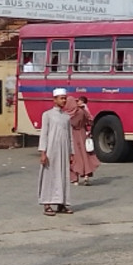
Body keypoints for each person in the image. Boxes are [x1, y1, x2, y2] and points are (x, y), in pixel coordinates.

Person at [37, 87, 72, 215]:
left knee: (63, 175)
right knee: (49, 176)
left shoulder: (67, 117)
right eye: (62, 98)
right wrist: (43, 152)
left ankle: (61, 203)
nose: (64, 101)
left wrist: (71, 152)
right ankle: (47, 204)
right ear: (55, 99)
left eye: (65, 98)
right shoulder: (47, 115)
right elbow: (44, 134)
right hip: (51, 151)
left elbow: (70, 136)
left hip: (64, 151)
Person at [67, 94, 98, 186]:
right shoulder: (82, 111)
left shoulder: (68, 115)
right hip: (83, 133)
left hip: (72, 135)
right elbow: (90, 121)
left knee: (74, 156)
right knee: (85, 155)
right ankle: (86, 175)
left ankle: (74, 178)